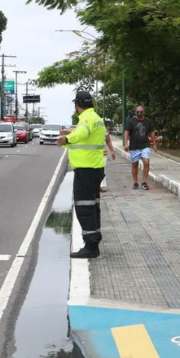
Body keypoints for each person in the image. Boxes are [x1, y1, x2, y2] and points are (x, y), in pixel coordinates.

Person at [57, 90, 107, 259]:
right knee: (93, 207)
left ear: (77, 105)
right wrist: (69, 137)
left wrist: (68, 139)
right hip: (95, 168)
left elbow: (82, 133)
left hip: (86, 170)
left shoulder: (86, 119)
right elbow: (84, 138)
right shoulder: (96, 118)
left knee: (84, 207)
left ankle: (91, 246)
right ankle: (93, 242)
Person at [124, 105, 157, 190]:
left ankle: (144, 182)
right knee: (135, 164)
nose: (139, 113)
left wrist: (154, 144)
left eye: (140, 112)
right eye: (137, 112)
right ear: (135, 112)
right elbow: (126, 132)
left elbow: (152, 133)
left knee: (146, 162)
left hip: (145, 145)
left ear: (144, 112)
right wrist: (125, 143)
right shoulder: (131, 121)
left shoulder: (148, 121)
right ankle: (135, 182)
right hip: (134, 146)